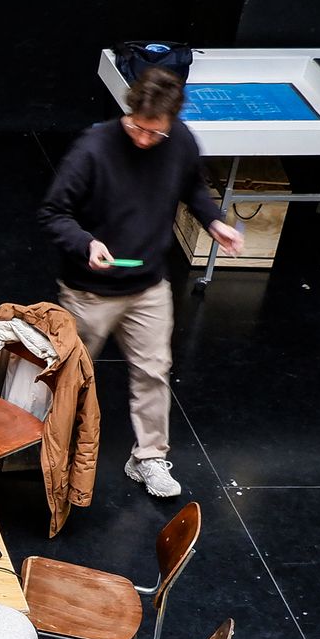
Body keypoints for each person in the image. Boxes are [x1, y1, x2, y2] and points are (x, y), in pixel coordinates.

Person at [38, 66, 245, 500]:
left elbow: (193, 187)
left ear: (171, 121)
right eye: (138, 127)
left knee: (154, 372)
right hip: (89, 292)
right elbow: (54, 213)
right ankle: (46, 450)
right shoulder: (93, 149)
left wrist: (213, 221)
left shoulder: (180, 140)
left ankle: (148, 457)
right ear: (129, 111)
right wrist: (86, 243)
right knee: (69, 377)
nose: (145, 139)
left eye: (156, 132)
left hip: (148, 287)